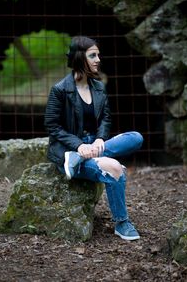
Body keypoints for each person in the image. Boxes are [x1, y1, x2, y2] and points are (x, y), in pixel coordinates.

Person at [44, 35, 143, 241]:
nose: (98, 59)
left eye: (98, 55)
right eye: (93, 55)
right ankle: (122, 223)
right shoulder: (60, 90)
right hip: (68, 150)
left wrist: (100, 139)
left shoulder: (98, 87)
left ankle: (82, 158)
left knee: (136, 137)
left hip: (93, 146)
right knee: (114, 167)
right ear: (80, 58)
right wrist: (78, 145)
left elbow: (105, 119)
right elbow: (52, 126)